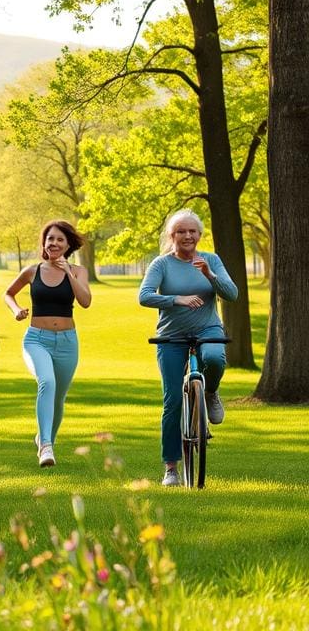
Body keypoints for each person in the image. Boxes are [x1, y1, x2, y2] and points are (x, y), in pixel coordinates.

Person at [139, 209, 238, 487]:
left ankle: (210, 392)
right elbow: (144, 296)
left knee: (215, 359)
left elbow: (232, 294)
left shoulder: (211, 260)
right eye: (181, 231)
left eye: (192, 231)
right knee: (171, 400)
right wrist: (177, 299)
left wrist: (210, 276)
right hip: (171, 335)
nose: (187, 236)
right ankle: (171, 468)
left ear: (199, 235)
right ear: (172, 236)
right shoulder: (161, 264)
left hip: (207, 329)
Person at [4, 221, 91, 468]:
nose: (54, 243)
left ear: (68, 245)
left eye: (59, 239)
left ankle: (46, 439)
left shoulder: (78, 271)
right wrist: (16, 310)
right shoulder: (33, 271)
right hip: (36, 339)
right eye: (50, 239)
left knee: (58, 398)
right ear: (44, 243)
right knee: (47, 382)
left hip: (67, 342)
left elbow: (85, 301)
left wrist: (69, 273)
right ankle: (46, 446)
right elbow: (8, 293)